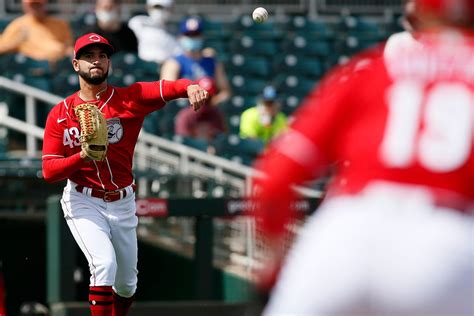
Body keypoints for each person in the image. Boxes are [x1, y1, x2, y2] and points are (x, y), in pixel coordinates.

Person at [250, 0, 474, 315]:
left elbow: (277, 176)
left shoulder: (373, 68)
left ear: (419, 12)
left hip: (348, 231)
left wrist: (273, 261)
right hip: (446, 242)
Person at [41, 32, 208, 316]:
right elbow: (49, 171)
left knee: (127, 284)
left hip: (123, 200)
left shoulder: (130, 98)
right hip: (84, 199)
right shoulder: (61, 113)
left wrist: (190, 86)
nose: (97, 61)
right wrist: (82, 156)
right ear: (75, 64)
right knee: (104, 264)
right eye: (89, 56)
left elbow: (167, 88)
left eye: (102, 56)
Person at [160, 15, 231, 107]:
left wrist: (212, 102)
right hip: (183, 112)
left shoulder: (211, 61)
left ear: (202, 36)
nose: (192, 38)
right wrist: (193, 100)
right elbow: (166, 93)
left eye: (195, 35)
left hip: (209, 111)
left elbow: (225, 91)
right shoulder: (174, 63)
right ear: (180, 37)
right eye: (189, 35)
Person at [0, 0, 73, 62]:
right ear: (25, 6)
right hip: (31, 69)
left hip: (58, 65)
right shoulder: (18, 25)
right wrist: (17, 40)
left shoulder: (60, 24)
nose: (35, 8)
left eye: (38, 4)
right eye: (32, 5)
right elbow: (2, 47)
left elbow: (69, 46)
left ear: (44, 4)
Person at [174, 76, 227, 149]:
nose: (204, 102)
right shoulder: (186, 116)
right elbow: (182, 141)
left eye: (207, 99)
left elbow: (221, 140)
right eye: (200, 97)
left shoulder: (216, 115)